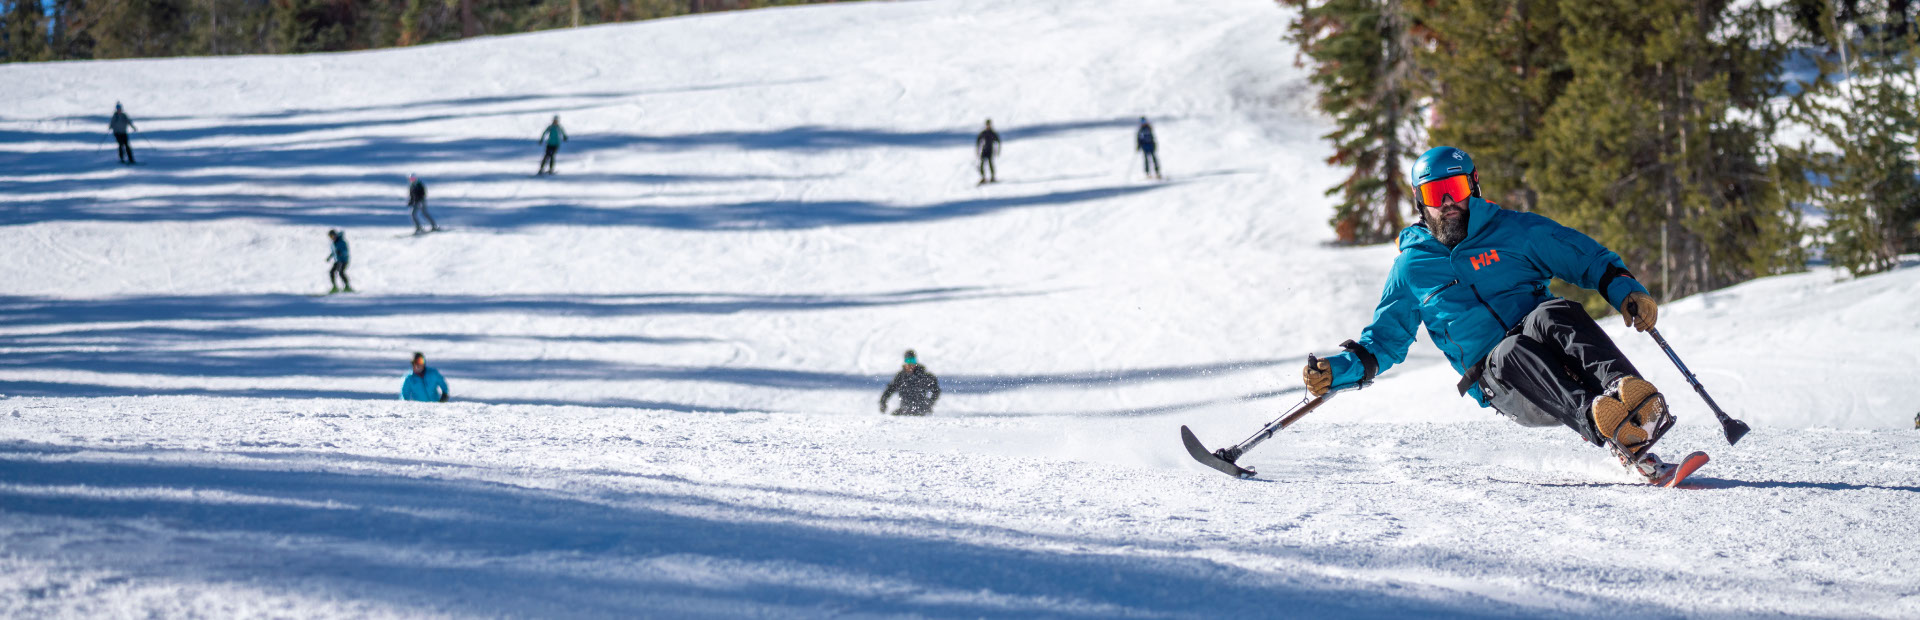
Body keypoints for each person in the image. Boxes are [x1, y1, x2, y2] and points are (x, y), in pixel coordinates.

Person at [1302, 146, 1675, 481]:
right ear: (1420, 202)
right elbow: (1384, 341)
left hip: (1552, 349)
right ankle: (1600, 418)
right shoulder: (1412, 268)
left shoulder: (1515, 231)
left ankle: (1632, 400)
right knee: (1511, 349)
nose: (1448, 202)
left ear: (1473, 186)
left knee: (1555, 312)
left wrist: (1627, 291)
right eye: (1435, 193)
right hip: (1505, 382)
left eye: (1456, 189)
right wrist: (1340, 371)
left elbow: (1586, 258)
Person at [880, 349, 941, 416]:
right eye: (908, 361)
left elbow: (936, 390)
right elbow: (889, 390)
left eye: (912, 361)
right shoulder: (900, 377)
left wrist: (929, 403)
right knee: (892, 416)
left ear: (916, 362)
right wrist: (883, 402)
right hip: (905, 410)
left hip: (922, 411)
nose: (910, 364)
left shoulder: (923, 375)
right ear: (905, 362)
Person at [325, 229, 353, 294]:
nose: (331, 238)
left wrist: (341, 253)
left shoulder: (342, 242)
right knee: (331, 272)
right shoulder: (333, 243)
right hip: (337, 261)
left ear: (335, 235)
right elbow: (334, 251)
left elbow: (346, 251)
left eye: (332, 236)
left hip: (344, 260)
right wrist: (330, 257)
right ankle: (334, 287)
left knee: (341, 272)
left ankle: (347, 287)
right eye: (330, 237)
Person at [975, 119, 1001, 184]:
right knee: (981, 164)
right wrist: (978, 150)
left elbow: (998, 142)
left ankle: (992, 177)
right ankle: (983, 177)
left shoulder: (993, 133)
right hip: (984, 150)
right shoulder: (983, 133)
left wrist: (998, 151)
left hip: (990, 150)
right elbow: (978, 141)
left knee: (990, 164)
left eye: (989, 124)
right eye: (987, 124)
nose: (988, 126)